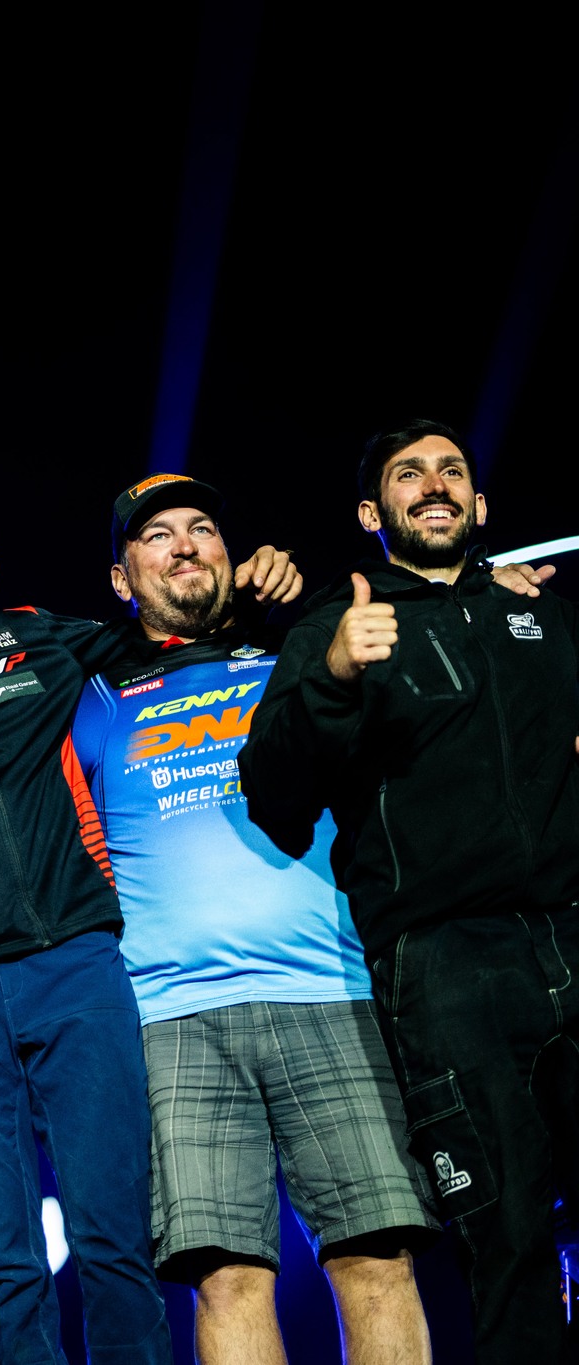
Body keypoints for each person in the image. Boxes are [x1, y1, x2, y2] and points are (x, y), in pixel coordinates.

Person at [0, 478, 301, 1363]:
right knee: (1, 1265)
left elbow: (169, 625)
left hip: (78, 972)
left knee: (116, 1244)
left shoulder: (42, 639)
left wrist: (256, 588)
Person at [72, 474, 439, 1361]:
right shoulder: (87, 692)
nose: (184, 544)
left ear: (233, 558)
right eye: (157, 535)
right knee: (227, 1277)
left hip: (331, 990)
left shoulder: (295, 653)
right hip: (171, 1018)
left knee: (375, 1259)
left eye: (202, 527)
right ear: (122, 577)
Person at [241, 419, 579, 1360]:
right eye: (408, 474)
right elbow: (273, 796)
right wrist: (335, 675)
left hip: (572, 928)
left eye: (451, 471)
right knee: (508, 1241)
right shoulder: (332, 628)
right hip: (444, 965)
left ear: (480, 503)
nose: (433, 485)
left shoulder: (542, 613)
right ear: (371, 512)